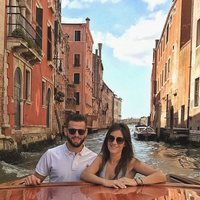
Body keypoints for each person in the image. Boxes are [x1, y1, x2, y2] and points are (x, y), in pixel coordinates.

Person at [81, 123, 166, 189]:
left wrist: (136, 181)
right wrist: (105, 182)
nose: (114, 143)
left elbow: (161, 176)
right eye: (111, 138)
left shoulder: (132, 162)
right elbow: (85, 174)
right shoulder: (102, 158)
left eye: (119, 140)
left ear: (125, 143)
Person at [25, 113, 97, 186]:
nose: (76, 135)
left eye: (81, 131)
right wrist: (31, 180)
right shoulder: (51, 154)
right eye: (72, 131)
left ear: (86, 132)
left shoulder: (94, 158)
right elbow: (37, 179)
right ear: (66, 131)